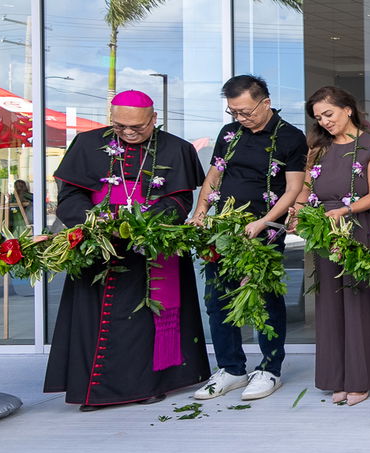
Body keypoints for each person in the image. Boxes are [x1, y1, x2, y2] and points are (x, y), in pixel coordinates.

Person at [44, 90, 210, 410]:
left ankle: (149, 384)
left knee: (146, 320)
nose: (130, 134)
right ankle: (97, 390)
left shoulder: (177, 148)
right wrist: (98, 222)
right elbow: (70, 196)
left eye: (138, 127)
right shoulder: (87, 144)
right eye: (120, 128)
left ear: (153, 119)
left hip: (152, 249)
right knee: (98, 320)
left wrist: (143, 224)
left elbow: (180, 200)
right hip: (99, 247)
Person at [190, 75, 307, 402]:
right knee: (217, 297)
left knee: (264, 298)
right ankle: (231, 368)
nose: (240, 118)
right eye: (234, 112)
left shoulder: (290, 138)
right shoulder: (229, 134)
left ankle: (270, 369)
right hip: (223, 228)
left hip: (265, 229)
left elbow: (293, 188)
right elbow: (214, 175)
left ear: (265, 102)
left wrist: (265, 221)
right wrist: (201, 211)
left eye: (245, 111)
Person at [297, 85, 370, 406]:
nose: (324, 121)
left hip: (360, 227)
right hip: (326, 233)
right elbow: (305, 189)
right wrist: (298, 212)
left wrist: (346, 210)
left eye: (329, 114)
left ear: (347, 109)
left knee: (360, 303)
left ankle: (361, 379)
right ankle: (336, 377)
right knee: (330, 306)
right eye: (318, 117)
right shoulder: (318, 149)